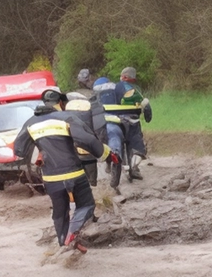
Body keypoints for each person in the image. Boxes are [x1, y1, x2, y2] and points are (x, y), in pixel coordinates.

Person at [13, 92, 113, 255]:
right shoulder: (66, 118)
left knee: (60, 213)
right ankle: (73, 231)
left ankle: (64, 244)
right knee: (87, 205)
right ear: (60, 102)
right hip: (74, 173)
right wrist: (103, 153)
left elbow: (19, 150)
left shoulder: (30, 123)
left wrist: (40, 150)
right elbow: (87, 140)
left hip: (51, 178)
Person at [112, 66, 153, 180]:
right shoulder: (136, 90)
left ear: (123, 76)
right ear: (133, 78)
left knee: (115, 141)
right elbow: (145, 105)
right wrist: (148, 117)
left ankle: (111, 165)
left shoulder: (114, 87)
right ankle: (134, 168)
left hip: (116, 121)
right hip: (133, 122)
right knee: (137, 147)